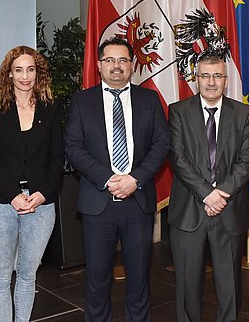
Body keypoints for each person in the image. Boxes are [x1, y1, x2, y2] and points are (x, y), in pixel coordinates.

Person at [64, 36, 170, 322]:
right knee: (97, 283)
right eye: (109, 60)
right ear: (99, 65)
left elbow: (162, 143)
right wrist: (109, 178)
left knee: (139, 282)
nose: (116, 66)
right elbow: (73, 146)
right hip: (99, 205)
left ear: (132, 65)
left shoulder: (148, 99)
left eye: (123, 60)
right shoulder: (82, 101)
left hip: (138, 203)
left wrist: (135, 179)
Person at [167, 53, 249, 322]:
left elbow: (247, 160)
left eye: (217, 75)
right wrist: (207, 193)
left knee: (230, 285)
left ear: (226, 80)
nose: (211, 82)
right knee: (187, 285)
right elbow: (178, 158)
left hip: (229, 210)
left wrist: (221, 194)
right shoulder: (178, 111)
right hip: (189, 212)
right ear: (196, 79)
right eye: (205, 75)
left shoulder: (243, 114)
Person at [0, 46, 64, 322]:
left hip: (41, 205)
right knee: (2, 278)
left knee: (28, 277)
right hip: (1, 204)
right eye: (18, 70)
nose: (25, 76)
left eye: (30, 69)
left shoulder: (51, 109)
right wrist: (14, 195)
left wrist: (42, 194)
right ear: (9, 74)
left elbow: (57, 158)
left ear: (38, 73)